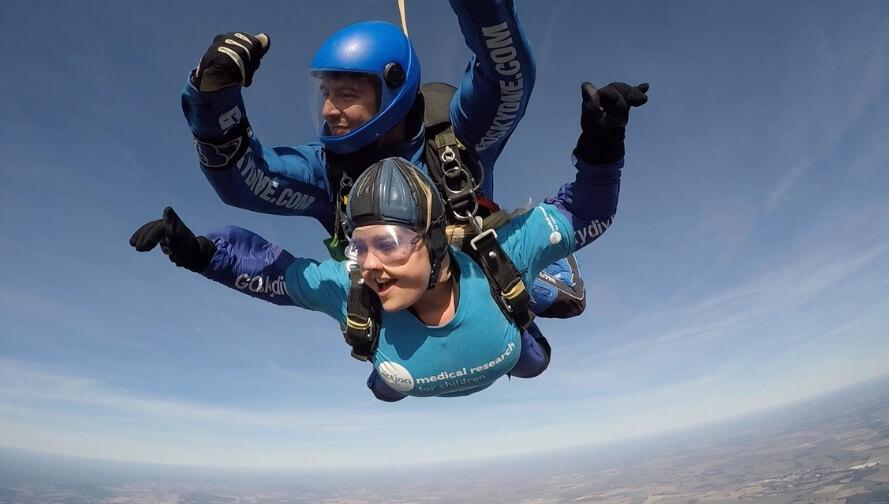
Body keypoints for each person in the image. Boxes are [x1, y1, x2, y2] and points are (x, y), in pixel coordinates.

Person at [133, 81, 649, 400]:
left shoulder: (502, 254)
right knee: (386, 386)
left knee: (533, 355)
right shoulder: (351, 286)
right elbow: (274, 274)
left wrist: (602, 145)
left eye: (392, 242)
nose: (371, 265)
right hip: (436, 357)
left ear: (435, 239)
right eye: (359, 246)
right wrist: (201, 254)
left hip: (497, 304)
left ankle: (546, 288)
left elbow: (585, 212)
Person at [181, 2, 587, 321]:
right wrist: (213, 97)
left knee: (536, 341)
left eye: (345, 94)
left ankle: (543, 268)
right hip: (395, 295)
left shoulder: (453, 138)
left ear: (391, 88)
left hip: (471, 271)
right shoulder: (328, 171)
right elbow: (246, 181)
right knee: (385, 379)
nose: (326, 109)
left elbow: (505, 80)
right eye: (324, 92)